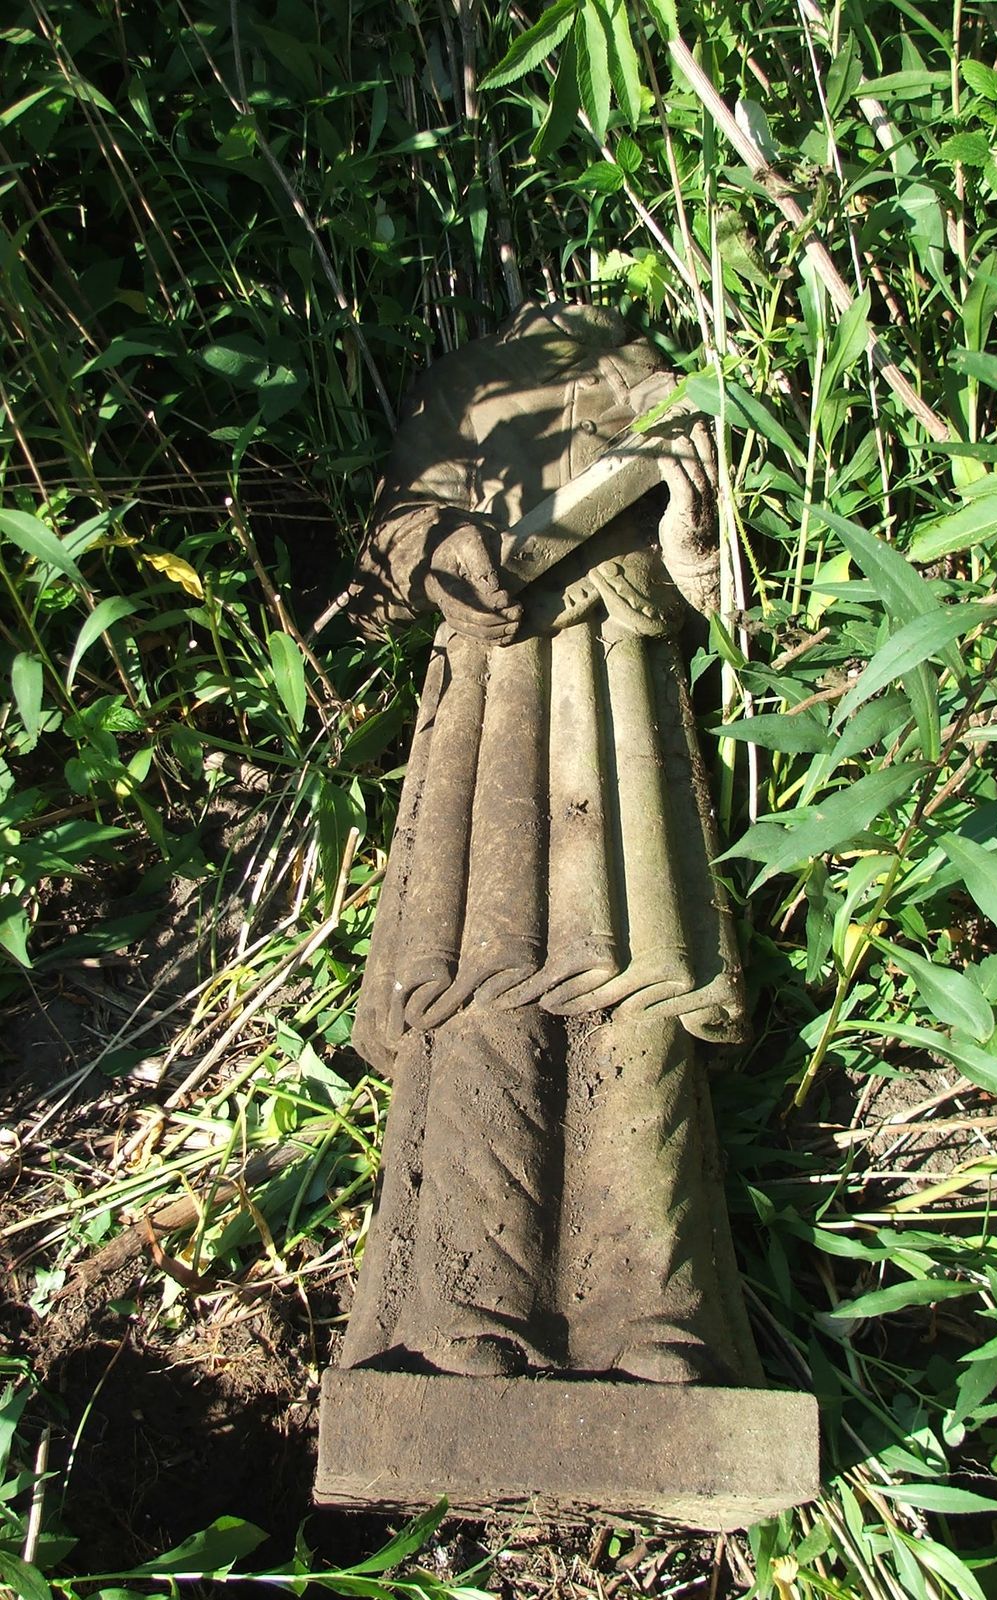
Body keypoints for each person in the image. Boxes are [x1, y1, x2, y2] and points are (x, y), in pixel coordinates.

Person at [339, 301, 761, 1386]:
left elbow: (727, 568)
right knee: (481, 975)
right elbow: (399, 534)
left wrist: (689, 538)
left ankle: (655, 1312)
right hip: (493, 705)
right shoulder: (467, 385)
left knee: (633, 973)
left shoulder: (659, 382)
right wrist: (449, 554)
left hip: (622, 704)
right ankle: (459, 1299)